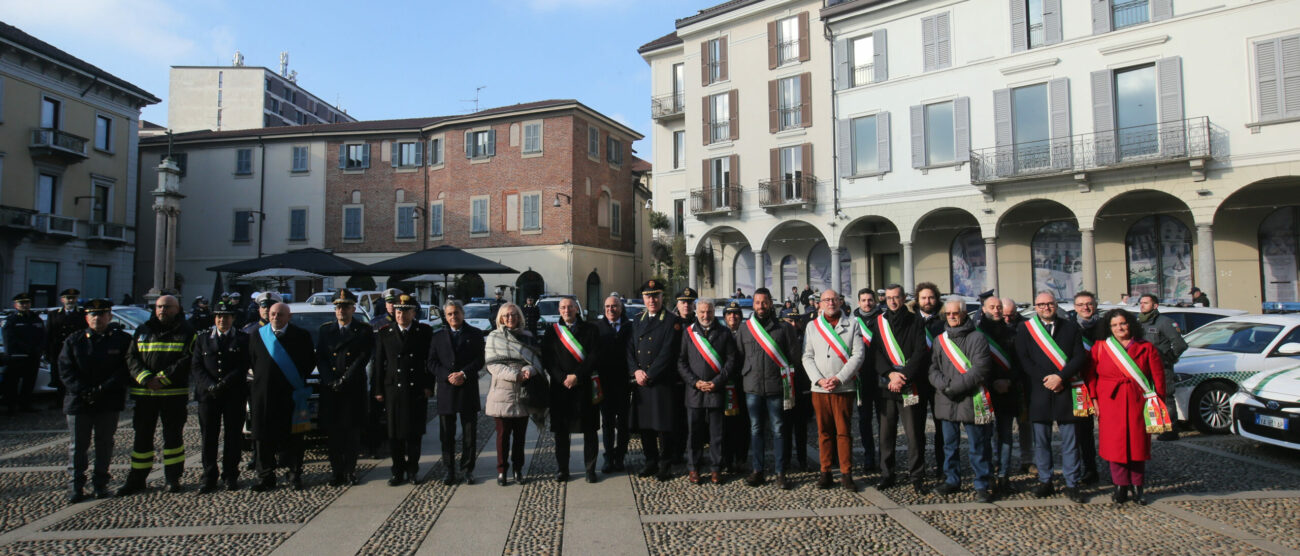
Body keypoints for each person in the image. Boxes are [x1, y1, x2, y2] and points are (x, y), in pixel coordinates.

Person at [1087, 308, 1170, 505]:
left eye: (1122, 323)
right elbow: (1090, 375)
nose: (1119, 328)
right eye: (1114, 325)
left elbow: (1158, 377)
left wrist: (1158, 402)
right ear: (1109, 328)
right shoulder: (1100, 347)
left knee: (1138, 445)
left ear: (1130, 324)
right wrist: (1094, 400)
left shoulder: (1146, 347)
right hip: (1110, 401)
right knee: (1115, 447)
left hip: (1138, 402)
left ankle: (1138, 487)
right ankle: (1120, 486)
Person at [1015, 291, 1089, 504]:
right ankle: (1045, 480)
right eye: (1041, 305)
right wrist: (1046, 379)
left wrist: (1060, 377)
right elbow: (1024, 359)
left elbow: (1079, 357)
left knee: (1070, 441)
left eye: (1049, 304)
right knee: (1041, 441)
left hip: (1065, 388)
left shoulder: (1071, 327)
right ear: (1035, 307)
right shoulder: (1026, 329)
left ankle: (1072, 482)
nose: (1045, 308)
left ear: (1056, 305)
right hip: (1039, 390)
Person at [117, 295, 195, 496]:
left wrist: (162, 379)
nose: (162, 310)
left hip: (173, 394)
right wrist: (145, 378)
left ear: (177, 309)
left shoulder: (187, 331)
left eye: (168, 307)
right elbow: (131, 357)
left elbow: (187, 360)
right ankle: (137, 478)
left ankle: (172, 478)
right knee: (141, 438)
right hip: (144, 394)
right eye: (160, 306)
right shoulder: (143, 330)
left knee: (173, 438)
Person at [58, 299, 130, 502]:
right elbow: (65, 370)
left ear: (109, 317)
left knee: (104, 444)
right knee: (77, 446)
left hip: (107, 401)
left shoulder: (120, 340)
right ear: (86, 317)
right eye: (93, 314)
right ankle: (75, 487)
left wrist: (103, 389)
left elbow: (124, 369)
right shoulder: (74, 340)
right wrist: (84, 390)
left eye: (102, 314)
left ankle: (100, 484)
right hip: (79, 401)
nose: (97, 318)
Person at [929, 300, 995, 502]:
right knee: (949, 445)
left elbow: (980, 369)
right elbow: (933, 368)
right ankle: (952, 479)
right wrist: (943, 385)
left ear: (964, 313)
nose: (951, 317)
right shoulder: (940, 340)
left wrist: (954, 387)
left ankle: (982, 484)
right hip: (946, 398)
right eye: (947, 313)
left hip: (970, 397)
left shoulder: (977, 338)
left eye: (955, 313)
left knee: (978, 445)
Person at [802, 289, 866, 492]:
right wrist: (820, 380)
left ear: (840, 301)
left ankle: (847, 473)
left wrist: (839, 378)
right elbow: (807, 356)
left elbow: (858, 355)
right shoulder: (812, 326)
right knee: (824, 432)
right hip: (820, 389)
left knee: (844, 432)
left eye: (834, 299)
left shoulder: (853, 324)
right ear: (819, 304)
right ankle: (826, 471)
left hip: (843, 387)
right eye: (826, 300)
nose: (830, 303)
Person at [737, 288, 800, 490]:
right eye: (757, 303)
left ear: (770, 303)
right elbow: (739, 356)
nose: (761, 306)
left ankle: (780, 472)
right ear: (753, 304)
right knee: (755, 429)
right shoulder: (746, 328)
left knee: (779, 429)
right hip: (752, 387)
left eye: (764, 302)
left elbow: (794, 357)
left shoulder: (784, 328)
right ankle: (758, 470)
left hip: (776, 387)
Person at [248, 303, 314, 491]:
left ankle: (294, 474)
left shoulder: (301, 336)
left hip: (290, 394)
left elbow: (309, 362)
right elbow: (252, 360)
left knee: (294, 437)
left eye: (280, 314)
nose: (276, 317)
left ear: (289, 317)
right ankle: (265, 476)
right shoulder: (257, 335)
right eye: (273, 314)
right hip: (264, 395)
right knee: (263, 437)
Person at [372, 294, 434, 486]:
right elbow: (379, 364)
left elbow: (429, 362)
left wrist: (429, 386)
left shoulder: (423, 331)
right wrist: (378, 389)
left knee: (414, 433)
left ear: (413, 313)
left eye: (406, 311)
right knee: (394, 434)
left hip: (415, 388)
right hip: (393, 389)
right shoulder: (385, 332)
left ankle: (413, 470)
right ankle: (397, 471)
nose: (401, 315)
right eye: (398, 311)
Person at [873, 284, 930, 493]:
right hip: (888, 386)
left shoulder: (916, 320)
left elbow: (920, 351)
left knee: (914, 433)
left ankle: (917, 476)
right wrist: (890, 374)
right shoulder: (880, 322)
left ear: (904, 298)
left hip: (910, 384)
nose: (893, 302)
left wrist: (903, 376)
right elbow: (876, 352)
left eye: (896, 297)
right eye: (889, 298)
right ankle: (887, 474)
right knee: (886, 434)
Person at [190, 299, 250, 493]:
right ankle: (209, 475)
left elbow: (243, 365)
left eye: (226, 316)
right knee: (208, 437)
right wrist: (210, 385)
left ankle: (230, 475)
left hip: (233, 394)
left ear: (233, 318)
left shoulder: (242, 339)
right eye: (219, 316)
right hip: (208, 396)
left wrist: (225, 383)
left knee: (233, 437)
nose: (222, 320)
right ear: (214, 318)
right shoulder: (202, 339)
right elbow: (197, 366)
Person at [315, 290, 374, 487]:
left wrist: (345, 379)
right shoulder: (325, 330)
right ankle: (336, 472)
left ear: (353, 308)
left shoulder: (364, 330)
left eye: (345, 306)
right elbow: (321, 358)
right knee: (333, 434)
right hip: (331, 389)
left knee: (351, 434)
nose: (341, 310)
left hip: (352, 388)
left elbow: (362, 358)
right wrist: (330, 380)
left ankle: (350, 471)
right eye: (338, 306)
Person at [628, 279, 684, 481]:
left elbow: (669, 352)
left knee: (663, 426)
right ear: (643, 298)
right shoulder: (637, 319)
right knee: (645, 426)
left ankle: (665, 464)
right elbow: (630, 349)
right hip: (641, 382)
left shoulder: (671, 321)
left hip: (660, 382)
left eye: (655, 296)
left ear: (662, 297)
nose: (651, 300)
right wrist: (635, 371)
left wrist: (650, 373)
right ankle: (650, 461)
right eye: (648, 296)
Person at [678, 299, 738, 484]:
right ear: (696, 312)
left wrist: (717, 382)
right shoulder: (688, 333)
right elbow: (681, 362)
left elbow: (731, 361)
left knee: (716, 433)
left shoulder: (724, 333)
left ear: (714, 312)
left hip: (716, 390)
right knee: (694, 432)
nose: (706, 316)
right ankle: (694, 468)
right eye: (702, 312)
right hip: (695, 391)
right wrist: (695, 382)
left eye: (709, 312)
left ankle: (715, 468)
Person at [542, 298, 601, 483]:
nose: (566, 310)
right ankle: (563, 470)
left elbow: (594, 356)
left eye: (570, 307)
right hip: (561, 389)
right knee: (561, 432)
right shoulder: (551, 332)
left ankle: (590, 469)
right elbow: (547, 359)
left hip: (584, 386)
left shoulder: (591, 330)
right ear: (559, 310)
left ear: (577, 309)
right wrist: (561, 378)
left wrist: (577, 376)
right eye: (563, 307)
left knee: (590, 430)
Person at [485, 302, 545, 486]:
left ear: (519, 316)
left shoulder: (528, 336)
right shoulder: (494, 337)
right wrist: (515, 375)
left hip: (524, 392)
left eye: (514, 315)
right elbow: (492, 364)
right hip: (502, 392)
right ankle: (502, 470)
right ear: (501, 318)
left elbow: (537, 361)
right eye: (506, 315)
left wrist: (529, 371)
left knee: (520, 437)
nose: (510, 318)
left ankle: (518, 469)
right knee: (502, 436)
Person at [428, 299, 486, 485]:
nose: (454, 316)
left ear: (463, 313)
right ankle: (449, 469)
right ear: (446, 316)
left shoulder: (475, 334)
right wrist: (448, 375)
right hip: (446, 389)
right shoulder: (437, 337)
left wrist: (463, 373)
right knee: (447, 434)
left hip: (467, 387)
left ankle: (468, 469)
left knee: (469, 433)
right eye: (450, 314)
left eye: (456, 313)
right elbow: (431, 362)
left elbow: (480, 359)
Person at [975, 296, 1019, 494]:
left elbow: (1020, 362)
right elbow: (975, 365)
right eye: (992, 307)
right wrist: (993, 381)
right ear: (983, 309)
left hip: (1008, 392)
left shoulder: (1014, 332)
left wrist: (1009, 380)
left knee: (1006, 436)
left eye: (999, 307)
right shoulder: (977, 334)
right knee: (985, 437)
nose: (996, 310)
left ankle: (1004, 476)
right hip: (985, 391)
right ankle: (988, 475)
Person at [1137, 294, 1187, 441]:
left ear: (1155, 305)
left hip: (1161, 367)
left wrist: (1169, 358)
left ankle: (1170, 429)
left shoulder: (1164, 322)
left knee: (1166, 397)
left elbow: (1180, 344)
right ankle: (1155, 425)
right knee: (1149, 397)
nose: (1142, 305)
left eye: (1146, 303)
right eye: (1141, 303)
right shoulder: (1139, 322)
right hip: (1144, 367)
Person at [593, 295, 633, 473]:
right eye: (607, 306)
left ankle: (620, 456)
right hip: (605, 383)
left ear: (621, 308)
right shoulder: (596, 328)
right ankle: (608, 456)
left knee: (624, 423)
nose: (611, 309)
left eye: (614, 306)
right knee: (607, 423)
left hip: (625, 383)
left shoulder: (630, 327)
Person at [911, 282, 946, 481]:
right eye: (923, 298)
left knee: (942, 428)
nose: (927, 301)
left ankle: (943, 467)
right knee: (917, 428)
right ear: (918, 300)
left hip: (939, 382)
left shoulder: (944, 320)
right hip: (917, 381)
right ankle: (919, 470)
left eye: (931, 297)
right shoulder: (911, 320)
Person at [1070, 291, 1102, 485]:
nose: (1085, 308)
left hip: (1103, 383)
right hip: (1078, 385)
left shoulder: (1106, 327)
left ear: (1095, 305)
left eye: (1089, 304)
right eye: (1081, 304)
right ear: (1075, 308)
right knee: (1082, 431)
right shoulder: (1070, 328)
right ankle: (1088, 469)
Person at [1001, 296, 1034, 473]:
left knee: (1026, 425)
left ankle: (1027, 460)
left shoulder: (1026, 327)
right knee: (1002, 428)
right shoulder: (995, 327)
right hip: (1003, 384)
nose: (1007, 319)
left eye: (1011, 315)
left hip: (1023, 382)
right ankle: (1001, 463)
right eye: (1004, 315)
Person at [851, 287, 882, 476]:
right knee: (864, 420)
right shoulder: (852, 322)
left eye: (870, 300)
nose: (867, 303)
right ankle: (869, 456)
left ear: (875, 301)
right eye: (864, 300)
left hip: (881, 377)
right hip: (862, 379)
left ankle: (885, 457)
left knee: (884, 420)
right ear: (859, 302)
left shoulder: (884, 320)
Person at [779, 306, 812, 472]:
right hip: (783, 389)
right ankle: (784, 462)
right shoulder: (777, 337)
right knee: (783, 429)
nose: (792, 324)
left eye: (795, 321)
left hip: (801, 389)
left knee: (801, 429)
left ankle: (802, 460)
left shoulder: (805, 337)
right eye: (788, 321)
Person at [2, 293, 45, 414]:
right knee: (12, 383)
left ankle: (25, 405)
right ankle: (11, 407)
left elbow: (42, 336)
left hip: (33, 357)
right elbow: (9, 340)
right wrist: (25, 349)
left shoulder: (36, 318)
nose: (25, 305)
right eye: (22, 303)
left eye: (27, 303)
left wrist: (39, 349)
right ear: (16, 305)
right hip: (17, 357)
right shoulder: (11, 320)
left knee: (29, 382)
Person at [720, 301, 750, 473]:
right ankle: (726, 459)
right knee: (725, 426)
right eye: (729, 314)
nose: (733, 317)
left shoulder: (747, 333)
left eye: (736, 314)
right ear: (725, 317)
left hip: (743, 385)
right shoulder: (721, 334)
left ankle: (741, 459)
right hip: (724, 386)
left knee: (743, 425)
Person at [45, 288, 87, 406]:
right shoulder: (54, 314)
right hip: (58, 350)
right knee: (59, 376)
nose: (71, 300)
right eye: (68, 298)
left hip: (76, 350)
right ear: (62, 300)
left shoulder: (82, 313)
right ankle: (59, 401)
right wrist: (47, 351)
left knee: (75, 375)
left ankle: (74, 399)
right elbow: (48, 334)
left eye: (73, 298)